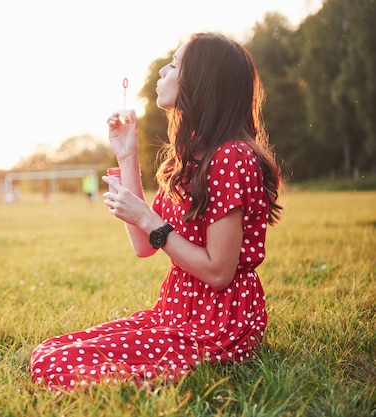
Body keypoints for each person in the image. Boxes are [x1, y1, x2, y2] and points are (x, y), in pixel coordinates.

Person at [30, 33, 283, 393]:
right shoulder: (191, 157)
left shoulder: (231, 158)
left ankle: (154, 384)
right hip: (176, 311)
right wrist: (126, 154)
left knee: (55, 364)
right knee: (49, 351)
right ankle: (149, 376)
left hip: (218, 322)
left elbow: (218, 272)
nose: (163, 70)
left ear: (201, 82)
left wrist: (149, 219)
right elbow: (144, 246)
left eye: (175, 64)